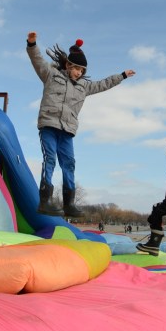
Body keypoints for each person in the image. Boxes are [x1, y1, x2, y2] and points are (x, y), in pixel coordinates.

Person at [26, 31, 136, 217]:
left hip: (67, 130)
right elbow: (38, 61)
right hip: (49, 125)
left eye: (82, 71)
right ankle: (45, 200)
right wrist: (32, 44)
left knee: (69, 163)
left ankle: (69, 203)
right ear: (68, 65)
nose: (79, 73)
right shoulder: (51, 75)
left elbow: (103, 84)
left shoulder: (83, 87)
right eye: (77, 68)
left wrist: (122, 76)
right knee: (50, 159)